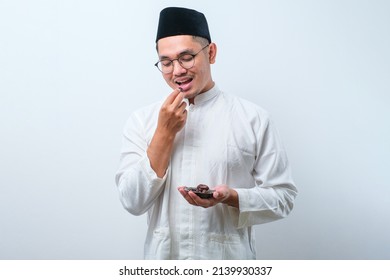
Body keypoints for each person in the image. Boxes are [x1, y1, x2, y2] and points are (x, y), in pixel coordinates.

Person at [115, 7, 298, 260]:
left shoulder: (253, 119)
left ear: (211, 53)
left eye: (186, 57)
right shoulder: (141, 121)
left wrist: (234, 197)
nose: (177, 70)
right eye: (166, 62)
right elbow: (132, 201)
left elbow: (284, 197)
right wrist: (164, 134)